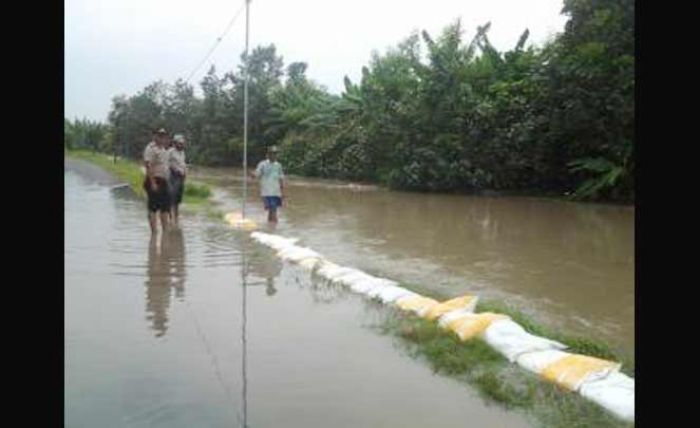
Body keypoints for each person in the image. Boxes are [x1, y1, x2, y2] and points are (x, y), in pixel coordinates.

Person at [143, 128, 171, 234]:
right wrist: (153, 182)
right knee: (153, 207)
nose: (161, 138)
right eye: (159, 135)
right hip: (154, 180)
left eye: (163, 136)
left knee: (165, 207)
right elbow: (148, 165)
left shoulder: (164, 149)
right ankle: (154, 232)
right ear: (154, 136)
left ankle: (165, 230)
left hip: (163, 181)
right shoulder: (150, 148)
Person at [250, 146, 285, 223]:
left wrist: (282, 192)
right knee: (273, 211)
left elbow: (281, 178)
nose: (274, 155)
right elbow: (257, 173)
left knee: (271, 211)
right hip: (267, 192)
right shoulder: (262, 164)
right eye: (272, 153)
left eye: (275, 154)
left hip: (276, 192)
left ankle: (269, 228)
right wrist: (253, 175)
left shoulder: (278, 165)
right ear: (268, 155)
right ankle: (275, 228)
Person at [169, 134, 187, 225]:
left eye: (183, 143)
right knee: (172, 198)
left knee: (178, 200)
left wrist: (185, 174)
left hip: (181, 178)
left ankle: (176, 218)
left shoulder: (182, 152)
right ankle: (170, 219)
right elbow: (167, 164)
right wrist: (175, 170)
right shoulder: (170, 152)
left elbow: (183, 164)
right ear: (175, 143)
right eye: (180, 143)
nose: (182, 145)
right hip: (173, 177)